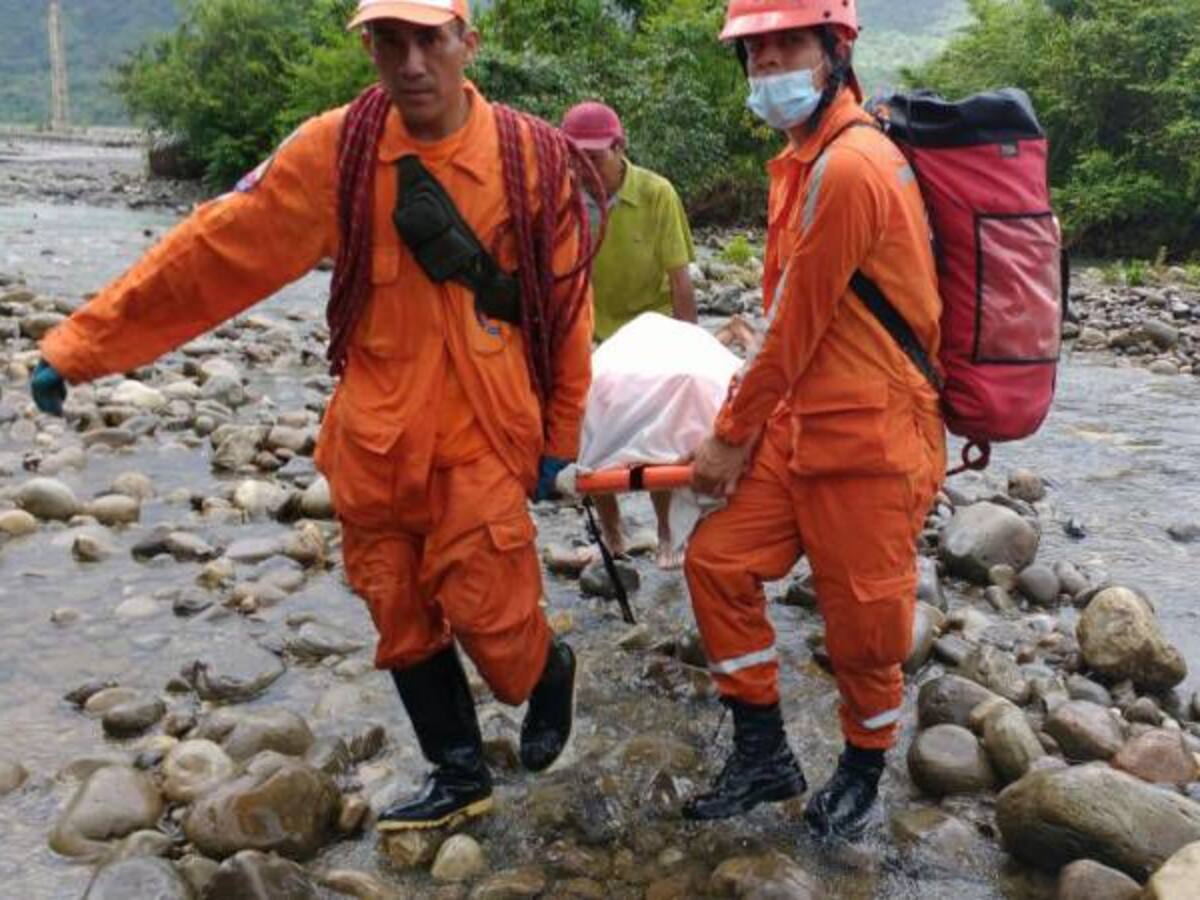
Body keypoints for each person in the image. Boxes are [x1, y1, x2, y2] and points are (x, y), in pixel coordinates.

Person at [30, 0, 600, 833]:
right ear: (370, 47)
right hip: (373, 435)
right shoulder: (338, 150)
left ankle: (547, 676)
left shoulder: (531, 158)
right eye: (387, 42)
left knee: (493, 617)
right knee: (398, 615)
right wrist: (82, 344)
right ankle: (458, 772)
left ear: (465, 43)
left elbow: (565, 312)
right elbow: (217, 249)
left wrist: (561, 439)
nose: (409, 63)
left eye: (427, 41)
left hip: (482, 430)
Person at [681, 0, 946, 840]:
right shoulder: (803, 160)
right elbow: (789, 321)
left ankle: (864, 765)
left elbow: (794, 326)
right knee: (718, 563)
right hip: (804, 427)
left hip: (870, 439)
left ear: (837, 48)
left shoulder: (852, 168)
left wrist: (728, 434)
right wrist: (756, 420)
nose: (768, 66)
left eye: (785, 44)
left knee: (865, 623)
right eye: (754, 52)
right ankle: (764, 751)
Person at [561, 101, 698, 569]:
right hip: (594, 330)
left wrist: (688, 353)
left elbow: (681, 280)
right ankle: (614, 533)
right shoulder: (566, 198)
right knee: (591, 437)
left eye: (594, 158)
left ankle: (665, 533)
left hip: (651, 329)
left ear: (619, 149)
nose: (585, 169)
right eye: (575, 159)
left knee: (656, 435)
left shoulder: (657, 193)